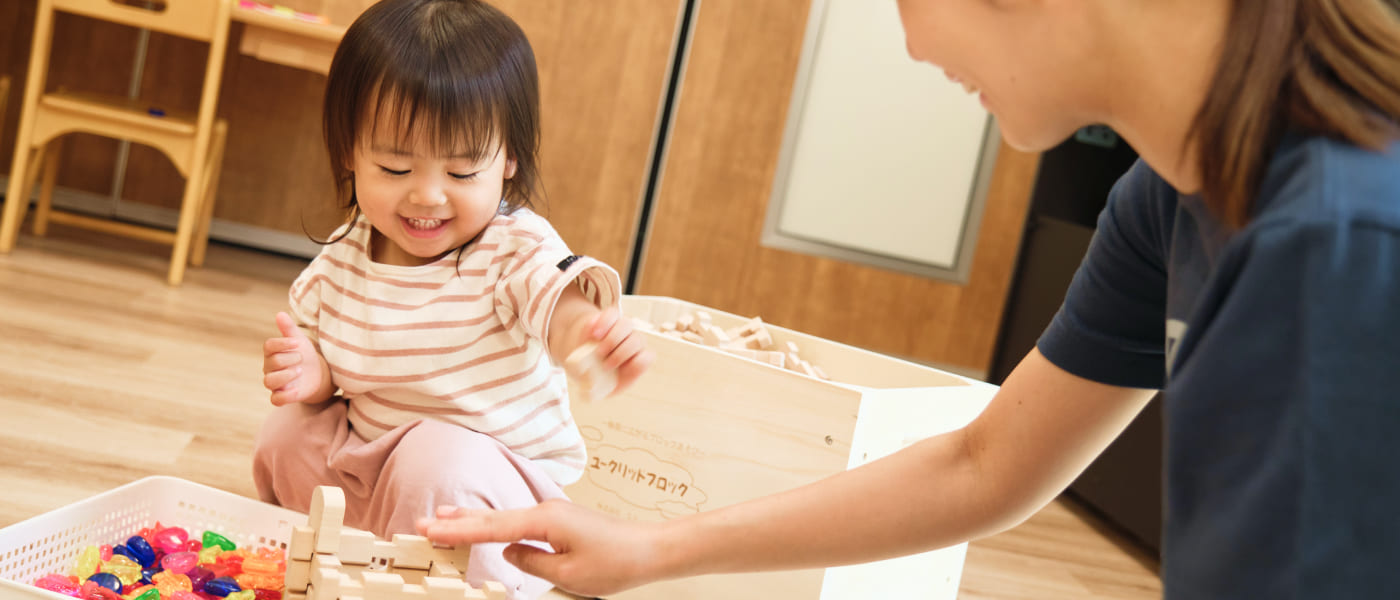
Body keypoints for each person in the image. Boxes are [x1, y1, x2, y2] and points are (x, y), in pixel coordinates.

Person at [415, 0, 1400, 597]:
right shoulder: (1165, 198)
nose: (908, 40)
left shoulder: (1325, 246)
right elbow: (982, 462)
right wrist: (652, 551)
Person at [252, 1, 652, 598]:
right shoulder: (342, 258)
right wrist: (311, 374)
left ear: (508, 160)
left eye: (463, 173)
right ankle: (346, 558)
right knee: (286, 435)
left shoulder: (511, 248)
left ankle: (471, 582)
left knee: (434, 460)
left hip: (489, 497)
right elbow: (329, 363)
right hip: (376, 475)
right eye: (393, 166)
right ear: (349, 153)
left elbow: (557, 304)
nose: (429, 196)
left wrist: (586, 334)